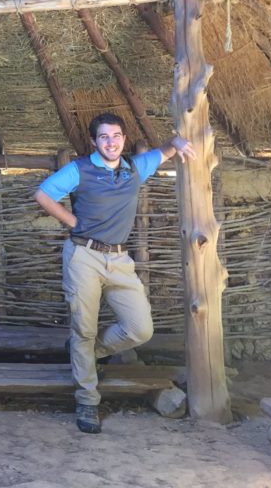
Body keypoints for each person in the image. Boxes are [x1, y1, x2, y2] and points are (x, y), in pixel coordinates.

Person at [34, 112, 194, 434]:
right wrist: (73, 221)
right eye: (104, 137)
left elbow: (164, 151)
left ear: (123, 138)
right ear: (94, 141)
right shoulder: (79, 169)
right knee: (84, 328)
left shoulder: (134, 168)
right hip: (84, 256)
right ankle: (88, 399)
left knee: (140, 329)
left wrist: (175, 142)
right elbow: (43, 194)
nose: (112, 142)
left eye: (117, 136)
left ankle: (90, 354)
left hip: (120, 260)